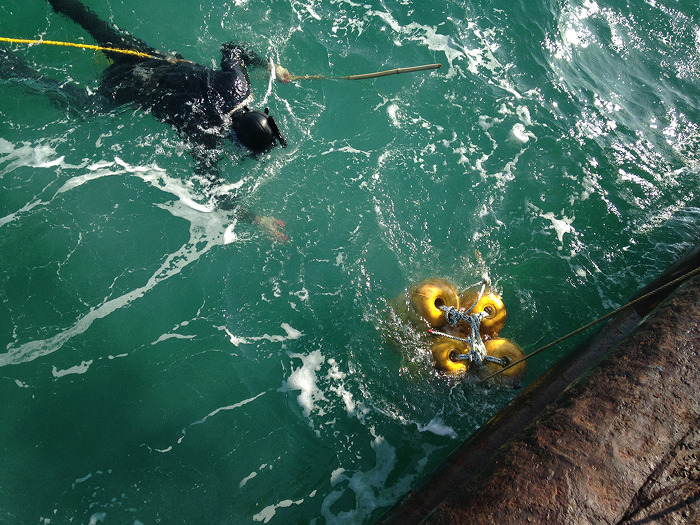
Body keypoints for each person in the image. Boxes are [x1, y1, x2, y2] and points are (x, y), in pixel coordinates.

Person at [43, 0, 288, 239]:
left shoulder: (238, 84)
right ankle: (21, 72)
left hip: (150, 58)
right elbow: (216, 193)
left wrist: (270, 67)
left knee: (96, 26)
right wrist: (257, 220)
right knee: (83, 108)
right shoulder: (206, 135)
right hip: (131, 87)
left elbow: (232, 48)